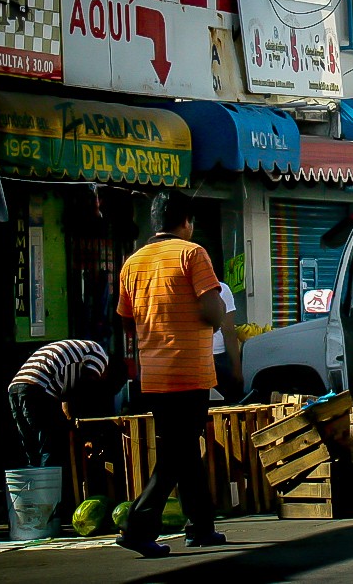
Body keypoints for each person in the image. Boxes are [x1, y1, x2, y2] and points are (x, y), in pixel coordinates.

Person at [115, 193, 228, 557]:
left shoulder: (132, 262)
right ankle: (138, 524)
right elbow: (213, 312)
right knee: (178, 452)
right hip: (189, 370)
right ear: (187, 221)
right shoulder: (192, 253)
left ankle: (201, 526)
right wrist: (219, 308)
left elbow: (127, 319)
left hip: (154, 373)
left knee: (182, 448)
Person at [8, 340, 126, 468]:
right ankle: (51, 485)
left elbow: (70, 403)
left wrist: (77, 427)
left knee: (32, 450)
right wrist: (92, 433)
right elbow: (87, 390)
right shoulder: (99, 355)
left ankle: (36, 485)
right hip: (39, 387)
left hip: (17, 386)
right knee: (51, 447)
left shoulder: (75, 363)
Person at [208, 278, 244, 402]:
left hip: (216, 356)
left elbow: (228, 331)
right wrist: (237, 369)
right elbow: (228, 331)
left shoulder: (222, 289)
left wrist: (237, 367)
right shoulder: (221, 289)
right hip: (214, 358)